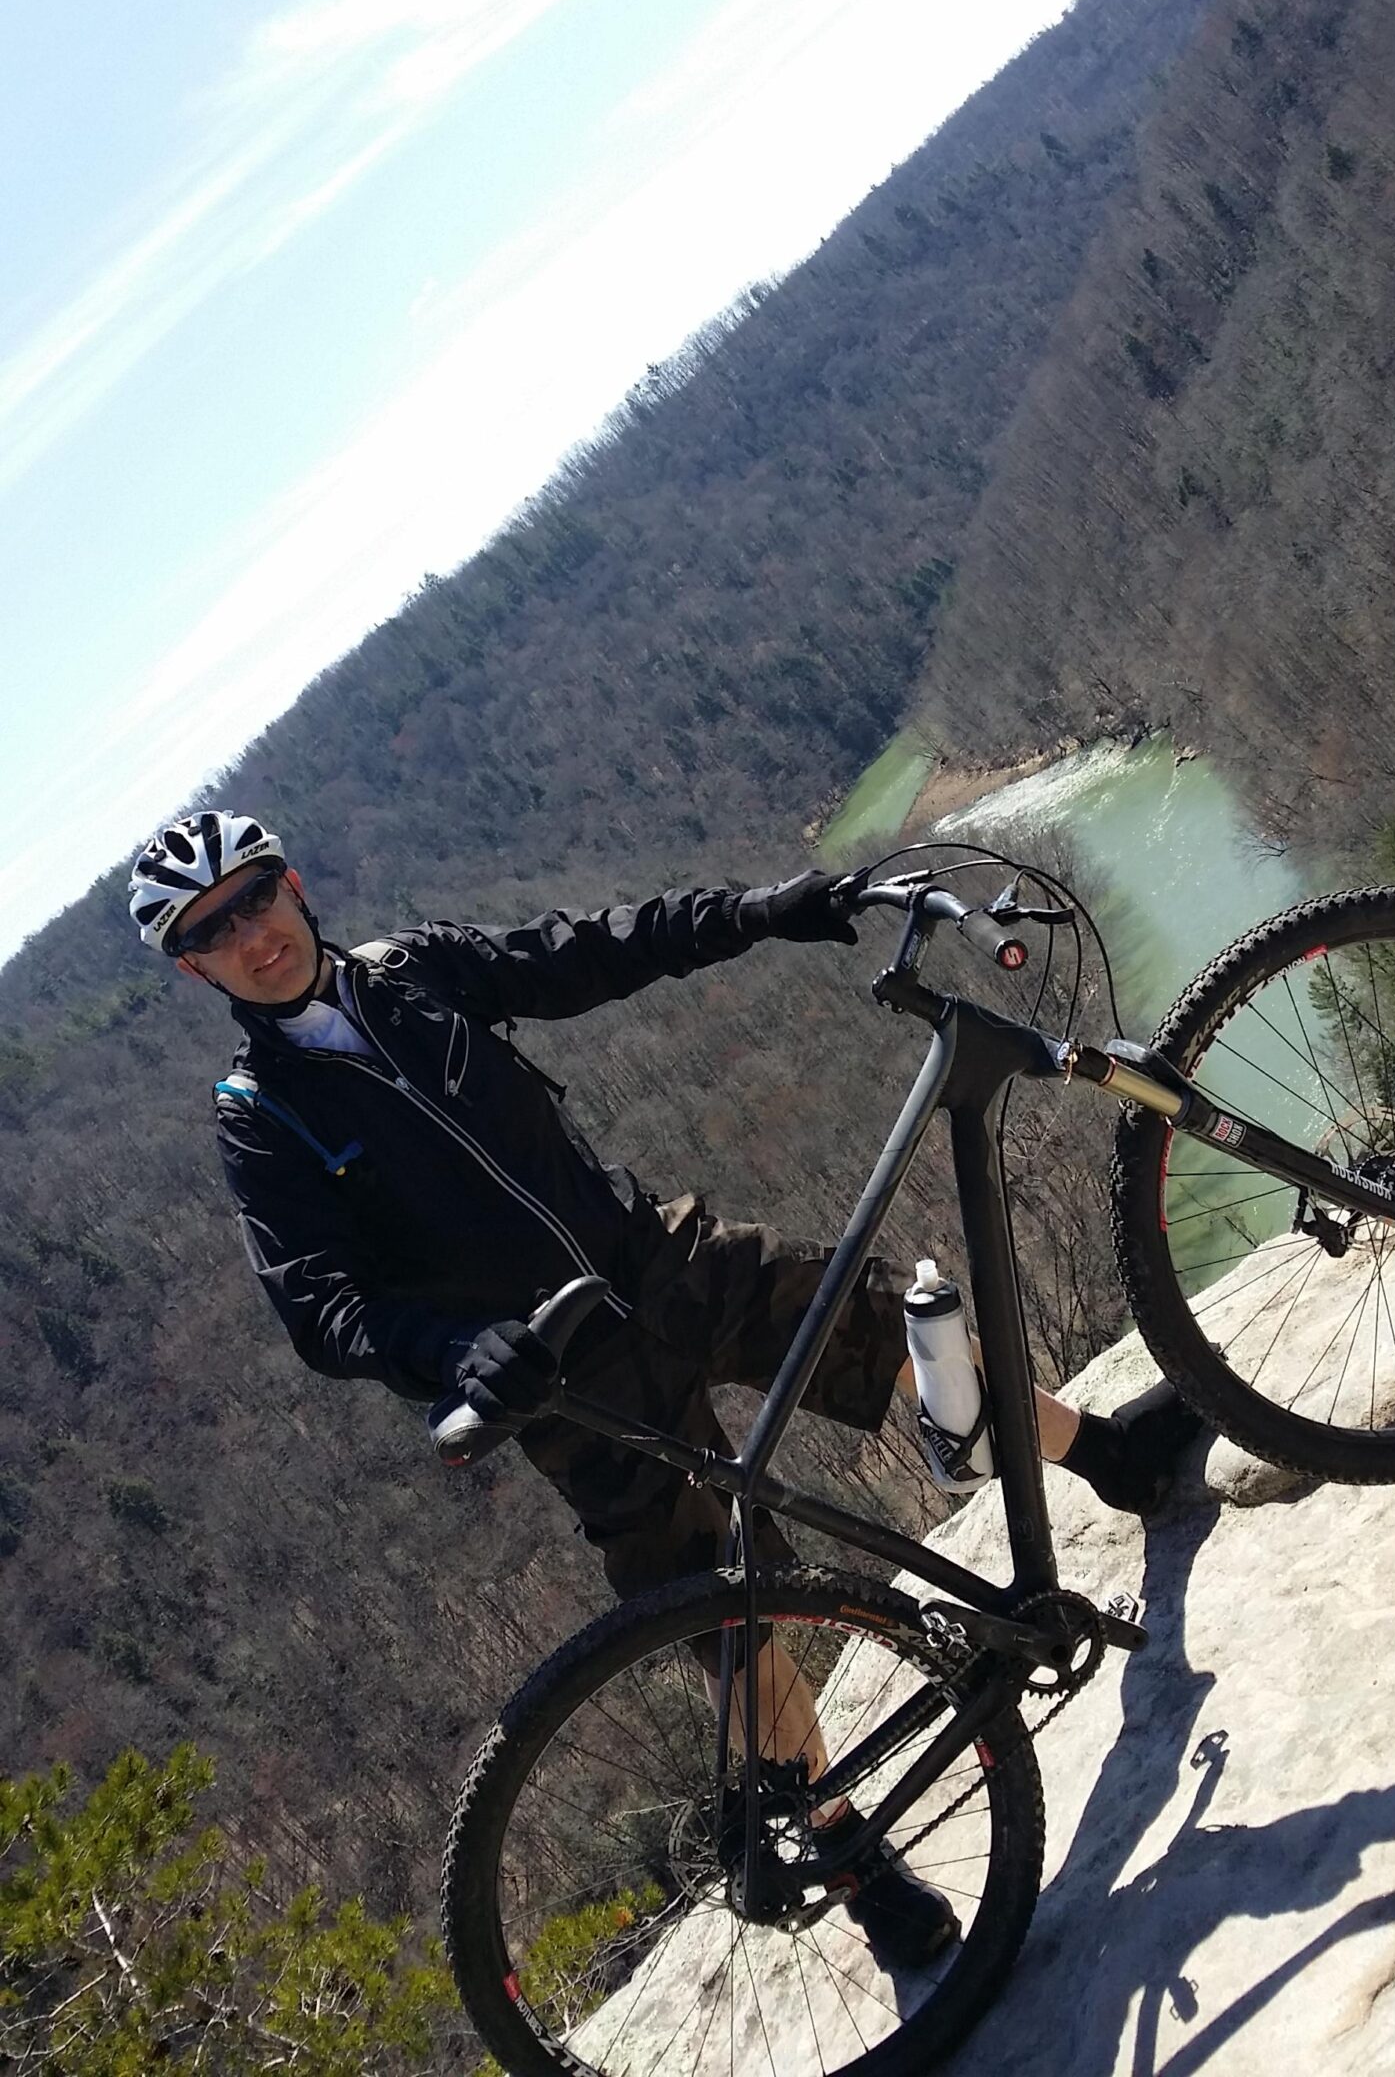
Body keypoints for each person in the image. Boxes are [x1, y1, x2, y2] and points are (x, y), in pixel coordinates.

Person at [131, 807, 1197, 1969]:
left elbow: (596, 948)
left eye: (253, 900)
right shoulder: (260, 1119)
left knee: (894, 1330)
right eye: (214, 928)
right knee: (734, 1616)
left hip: (663, 1263)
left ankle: (1110, 1458)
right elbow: (320, 1306)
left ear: (292, 886)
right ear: (194, 965)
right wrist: (450, 1349)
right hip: (569, 1381)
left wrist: (775, 910)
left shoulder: (412, 974)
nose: (251, 935)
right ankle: (844, 1851)